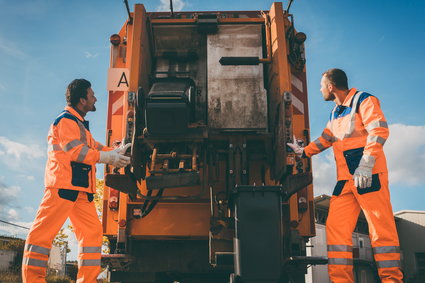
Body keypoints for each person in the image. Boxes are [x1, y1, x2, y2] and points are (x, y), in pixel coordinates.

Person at [288, 68, 403, 282]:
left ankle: (392, 280)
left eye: (321, 86)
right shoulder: (336, 112)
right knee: (336, 229)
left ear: (330, 87)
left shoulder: (364, 100)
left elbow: (378, 131)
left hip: (369, 176)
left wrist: (366, 164)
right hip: (346, 181)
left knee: (381, 230)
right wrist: (303, 151)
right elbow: (326, 139)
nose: (320, 89)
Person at [22, 79, 131, 283]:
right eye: (92, 95)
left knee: (92, 234)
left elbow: (94, 148)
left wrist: (115, 152)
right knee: (41, 237)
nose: (95, 98)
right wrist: (108, 158)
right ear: (82, 100)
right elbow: (76, 152)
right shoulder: (65, 121)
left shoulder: (79, 125)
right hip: (61, 188)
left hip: (79, 191)